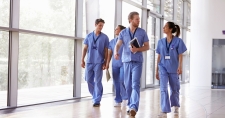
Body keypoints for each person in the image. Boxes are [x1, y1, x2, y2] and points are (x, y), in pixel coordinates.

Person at [114, 11, 149, 117]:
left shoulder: (142, 32)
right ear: (130, 20)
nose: (139, 21)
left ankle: (134, 106)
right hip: (126, 62)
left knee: (135, 84)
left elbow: (147, 46)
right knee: (128, 85)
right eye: (136, 19)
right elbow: (118, 44)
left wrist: (138, 49)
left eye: (139, 19)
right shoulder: (123, 32)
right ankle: (130, 105)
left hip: (137, 61)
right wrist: (116, 52)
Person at [156, 22, 187, 117]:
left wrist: (180, 66)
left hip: (174, 68)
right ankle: (164, 110)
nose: (163, 27)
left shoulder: (178, 41)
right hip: (163, 67)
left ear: (170, 29)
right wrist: (156, 69)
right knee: (163, 88)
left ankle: (176, 105)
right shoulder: (160, 42)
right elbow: (159, 56)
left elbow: (180, 55)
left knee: (174, 89)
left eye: (165, 26)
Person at [81, 18, 109, 107]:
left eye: (102, 26)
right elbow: (85, 48)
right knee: (88, 80)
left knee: (98, 81)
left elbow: (106, 51)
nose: (101, 27)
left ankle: (97, 100)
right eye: (100, 25)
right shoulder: (88, 36)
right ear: (95, 25)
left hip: (99, 62)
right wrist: (82, 59)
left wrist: (105, 62)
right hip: (89, 61)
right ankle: (95, 95)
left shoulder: (105, 37)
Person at [105, 25, 128, 107]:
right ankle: (118, 99)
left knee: (122, 80)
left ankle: (126, 96)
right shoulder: (112, 42)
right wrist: (107, 63)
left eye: (117, 29)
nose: (115, 30)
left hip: (123, 64)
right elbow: (109, 54)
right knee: (116, 82)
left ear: (121, 31)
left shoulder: (125, 41)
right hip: (115, 65)